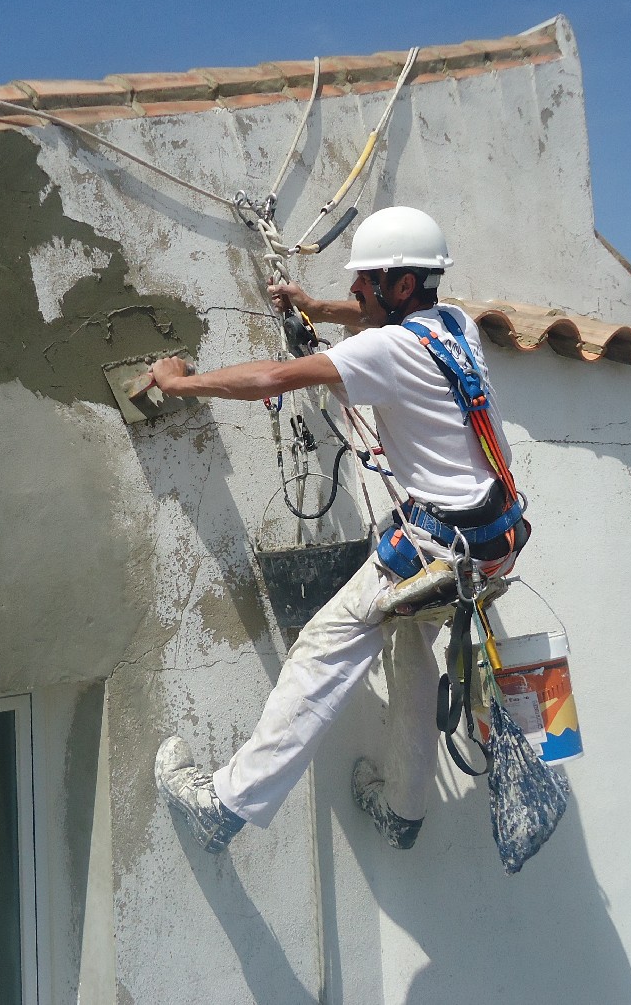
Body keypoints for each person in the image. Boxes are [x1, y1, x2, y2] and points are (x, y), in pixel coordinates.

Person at [150, 206, 528, 854]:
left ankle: (228, 805)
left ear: (401, 286)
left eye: (364, 281)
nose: (354, 291)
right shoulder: (453, 325)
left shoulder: (389, 348)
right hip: (494, 541)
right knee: (410, 648)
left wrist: (182, 382)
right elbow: (365, 319)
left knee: (320, 652)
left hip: (436, 547)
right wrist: (318, 308)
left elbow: (272, 378)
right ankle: (404, 809)